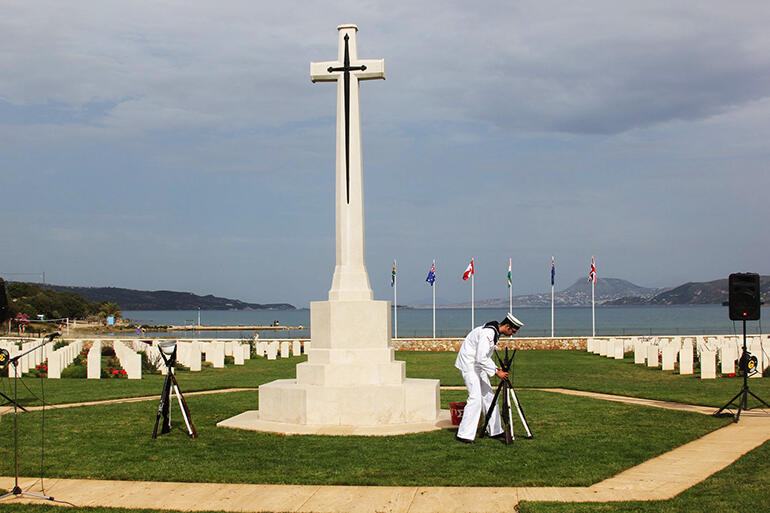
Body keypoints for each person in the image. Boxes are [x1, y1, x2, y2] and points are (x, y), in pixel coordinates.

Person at [454, 312, 524, 443]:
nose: (513, 334)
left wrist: (496, 368)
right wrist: (497, 372)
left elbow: (483, 357)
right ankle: (464, 434)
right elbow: (481, 357)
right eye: (513, 331)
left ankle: (495, 430)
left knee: (489, 396)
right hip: (469, 365)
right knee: (475, 399)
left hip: (478, 365)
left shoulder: (493, 332)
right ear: (507, 326)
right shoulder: (488, 333)